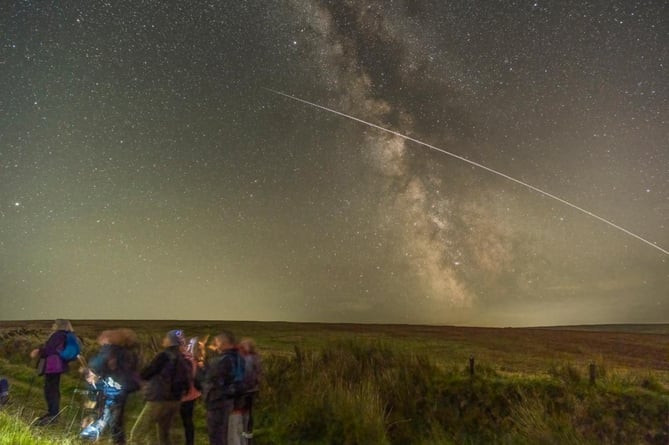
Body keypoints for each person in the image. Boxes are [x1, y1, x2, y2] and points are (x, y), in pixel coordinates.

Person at [130, 330, 191, 445]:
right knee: (164, 435)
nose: (163, 340)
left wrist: (137, 374)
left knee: (137, 434)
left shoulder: (163, 356)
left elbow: (147, 373)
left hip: (159, 400)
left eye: (166, 338)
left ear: (171, 341)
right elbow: (188, 382)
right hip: (175, 401)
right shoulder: (183, 358)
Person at [81, 329, 140, 444]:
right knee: (116, 420)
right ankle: (118, 441)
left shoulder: (109, 350)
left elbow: (96, 366)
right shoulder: (129, 353)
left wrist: (87, 370)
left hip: (106, 390)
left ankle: (89, 439)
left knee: (99, 416)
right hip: (121, 391)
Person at [197, 331, 243, 445]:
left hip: (217, 402)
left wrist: (200, 368)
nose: (215, 345)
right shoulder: (238, 357)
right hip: (231, 400)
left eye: (217, 342)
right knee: (227, 433)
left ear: (223, 343)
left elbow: (207, 380)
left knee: (217, 435)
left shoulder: (222, 360)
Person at [30, 319, 74, 425]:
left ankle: (53, 415)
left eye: (54, 323)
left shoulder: (58, 335)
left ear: (59, 325)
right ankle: (53, 413)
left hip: (53, 366)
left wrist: (39, 351)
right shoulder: (65, 335)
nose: (52, 325)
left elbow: (50, 350)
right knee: (53, 389)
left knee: (51, 390)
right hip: (57, 366)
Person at [238, 338, 261, 443]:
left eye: (245, 345)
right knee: (244, 414)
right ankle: (244, 435)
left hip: (248, 390)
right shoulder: (242, 358)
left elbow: (255, 374)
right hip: (246, 390)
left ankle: (247, 436)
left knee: (247, 413)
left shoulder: (252, 358)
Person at [180, 337, 202, 445]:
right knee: (188, 421)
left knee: (184, 421)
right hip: (192, 394)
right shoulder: (193, 359)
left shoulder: (182, 359)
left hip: (183, 395)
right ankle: (190, 442)